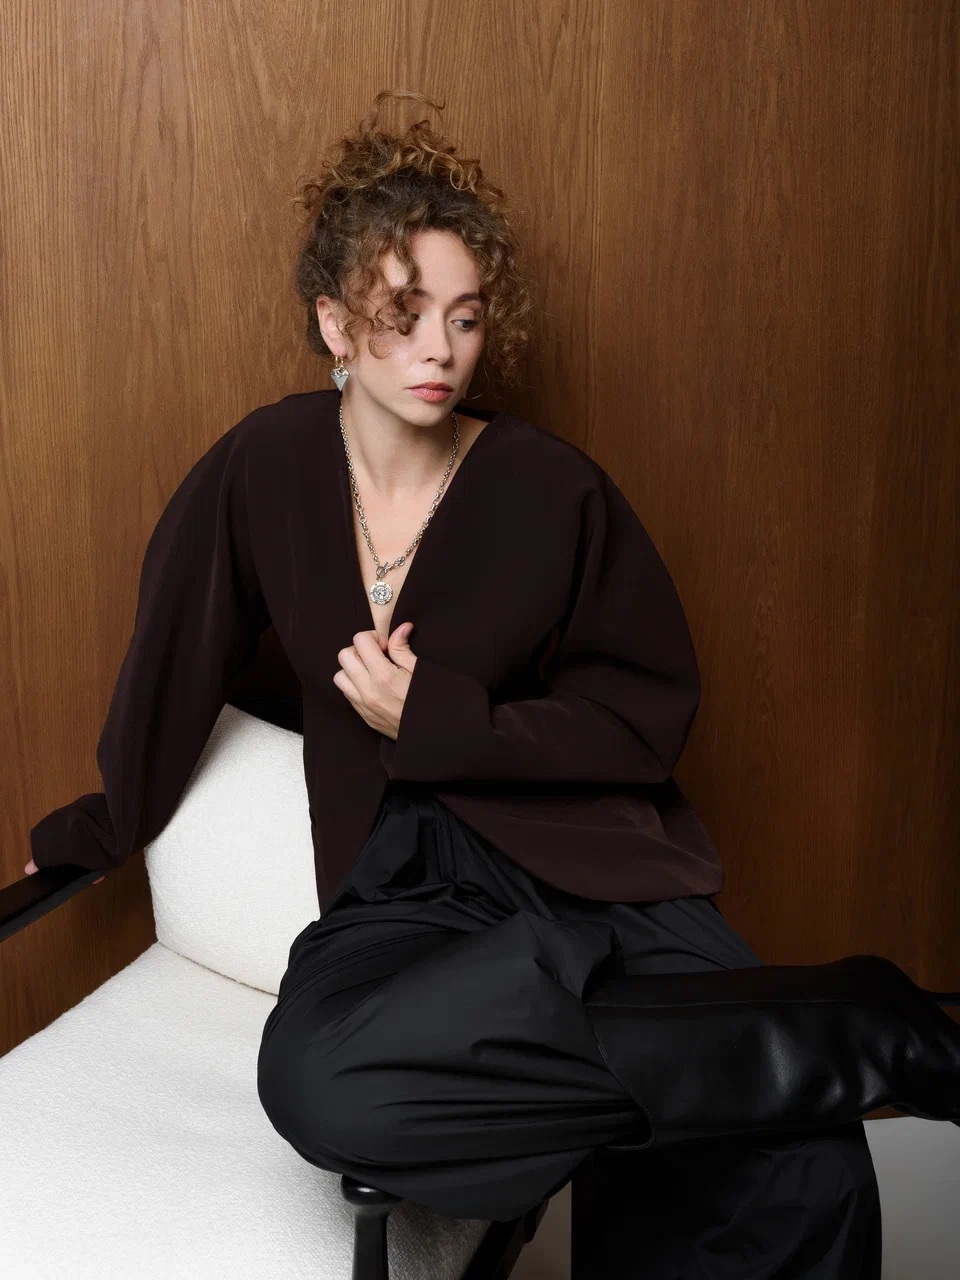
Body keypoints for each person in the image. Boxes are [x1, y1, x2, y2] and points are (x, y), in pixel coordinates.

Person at [29, 89, 959, 1276]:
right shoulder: (262, 468)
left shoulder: (555, 489)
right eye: (403, 313)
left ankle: (815, 1044)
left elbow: (640, 724)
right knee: (322, 1079)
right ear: (334, 322)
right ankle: (852, 1024)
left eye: (464, 318)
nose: (440, 349)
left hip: (589, 872)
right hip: (406, 890)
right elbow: (170, 668)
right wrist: (101, 827)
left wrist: (441, 719)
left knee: (796, 1163)